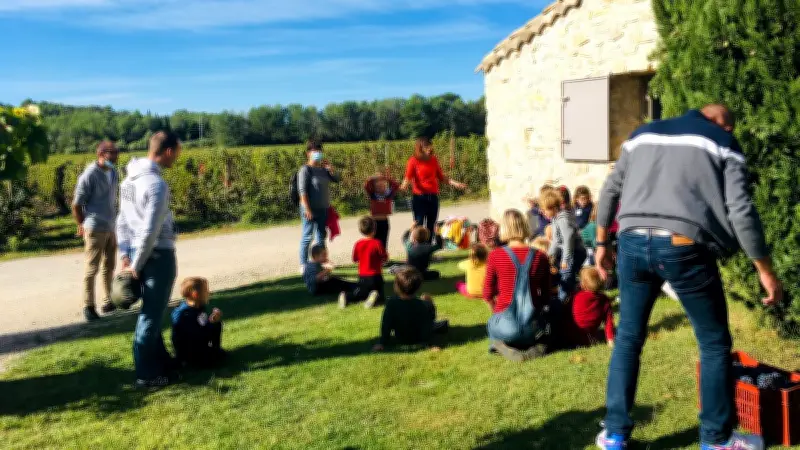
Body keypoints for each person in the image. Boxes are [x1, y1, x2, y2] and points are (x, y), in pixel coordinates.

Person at [594, 105, 783, 450]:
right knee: (713, 343)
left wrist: (602, 242)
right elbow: (741, 210)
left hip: (632, 241)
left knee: (628, 338)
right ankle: (716, 439)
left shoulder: (641, 135)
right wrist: (764, 270)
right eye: (731, 127)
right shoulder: (723, 142)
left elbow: (609, 191)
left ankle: (615, 434)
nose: (731, 133)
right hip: (683, 245)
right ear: (720, 123)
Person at [117, 130, 181, 389]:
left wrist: (124, 254)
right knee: (151, 315)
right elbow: (150, 230)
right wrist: (136, 265)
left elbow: (121, 220)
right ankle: (146, 374)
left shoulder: (128, 182)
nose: (177, 157)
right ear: (168, 151)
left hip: (135, 252)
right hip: (155, 256)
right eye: (177, 152)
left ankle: (162, 363)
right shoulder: (156, 185)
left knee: (152, 312)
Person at [483, 209, 551, 362]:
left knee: (492, 325)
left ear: (504, 229)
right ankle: (537, 347)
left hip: (505, 325)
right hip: (532, 325)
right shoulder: (541, 256)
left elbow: (487, 294)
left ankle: (501, 345)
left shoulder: (495, 255)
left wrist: (496, 312)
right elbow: (546, 296)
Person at [72, 140, 120, 321]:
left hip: (110, 225)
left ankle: (109, 300)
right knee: (92, 268)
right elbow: (76, 204)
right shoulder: (90, 174)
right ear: (101, 154)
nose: (115, 157)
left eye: (117, 153)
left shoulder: (114, 172)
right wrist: (82, 224)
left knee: (110, 266)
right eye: (112, 154)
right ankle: (88, 306)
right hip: (94, 226)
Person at [399, 137, 467, 243]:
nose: (430, 148)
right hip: (419, 198)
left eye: (430, 145)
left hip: (433, 197)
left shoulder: (433, 159)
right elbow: (407, 178)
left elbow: (441, 177)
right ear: (420, 148)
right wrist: (402, 187)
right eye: (426, 146)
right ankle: (417, 248)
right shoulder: (413, 161)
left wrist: (456, 183)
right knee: (419, 223)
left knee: (431, 224)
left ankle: (429, 249)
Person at [373, 266, 449, 352]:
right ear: (418, 286)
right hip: (421, 338)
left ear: (396, 286)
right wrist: (430, 304)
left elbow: (386, 324)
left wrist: (381, 342)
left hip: (402, 337)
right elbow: (429, 321)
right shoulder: (423, 304)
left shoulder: (391, 303)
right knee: (442, 324)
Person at [298, 139, 340, 270]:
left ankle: (322, 262)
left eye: (319, 151)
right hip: (309, 209)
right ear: (308, 153)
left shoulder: (323, 169)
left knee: (321, 236)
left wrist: (331, 170)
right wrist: (307, 209)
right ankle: (304, 264)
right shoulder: (305, 170)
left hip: (323, 208)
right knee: (307, 237)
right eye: (314, 151)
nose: (317, 153)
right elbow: (302, 191)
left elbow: (336, 179)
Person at [541, 190, 587, 305]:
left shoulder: (563, 220)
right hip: (568, 252)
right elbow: (556, 241)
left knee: (566, 275)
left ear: (552, 207)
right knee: (561, 274)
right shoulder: (555, 219)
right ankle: (568, 297)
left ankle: (563, 302)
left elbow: (568, 240)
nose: (543, 213)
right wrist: (548, 255)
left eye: (544, 210)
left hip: (575, 252)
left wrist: (566, 259)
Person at [171, 277, 227, 369]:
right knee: (215, 358)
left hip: (199, 346)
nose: (209, 293)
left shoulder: (199, 308)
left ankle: (215, 351)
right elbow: (195, 336)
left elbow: (202, 327)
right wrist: (211, 324)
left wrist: (213, 322)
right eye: (206, 291)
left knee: (217, 325)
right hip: (190, 353)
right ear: (196, 295)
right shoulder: (185, 314)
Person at [560, 267, 614, 349]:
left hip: (570, 336)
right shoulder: (604, 299)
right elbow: (608, 321)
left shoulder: (575, 296)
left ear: (583, 284)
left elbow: (565, 313)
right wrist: (610, 339)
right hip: (589, 337)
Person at [349, 217, 386, 309]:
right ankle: (375, 295)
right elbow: (384, 257)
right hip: (375, 275)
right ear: (374, 229)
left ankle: (346, 296)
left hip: (362, 276)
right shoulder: (377, 243)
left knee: (361, 292)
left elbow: (354, 259)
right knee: (380, 293)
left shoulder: (358, 244)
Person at [364, 171, 400, 257]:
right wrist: (372, 178)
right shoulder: (373, 194)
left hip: (384, 222)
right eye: (378, 186)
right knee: (374, 241)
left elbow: (396, 186)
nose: (381, 187)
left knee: (383, 241)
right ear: (375, 187)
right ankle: (373, 256)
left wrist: (387, 178)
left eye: (383, 185)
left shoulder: (388, 195)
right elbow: (366, 186)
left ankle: (383, 257)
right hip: (374, 222)